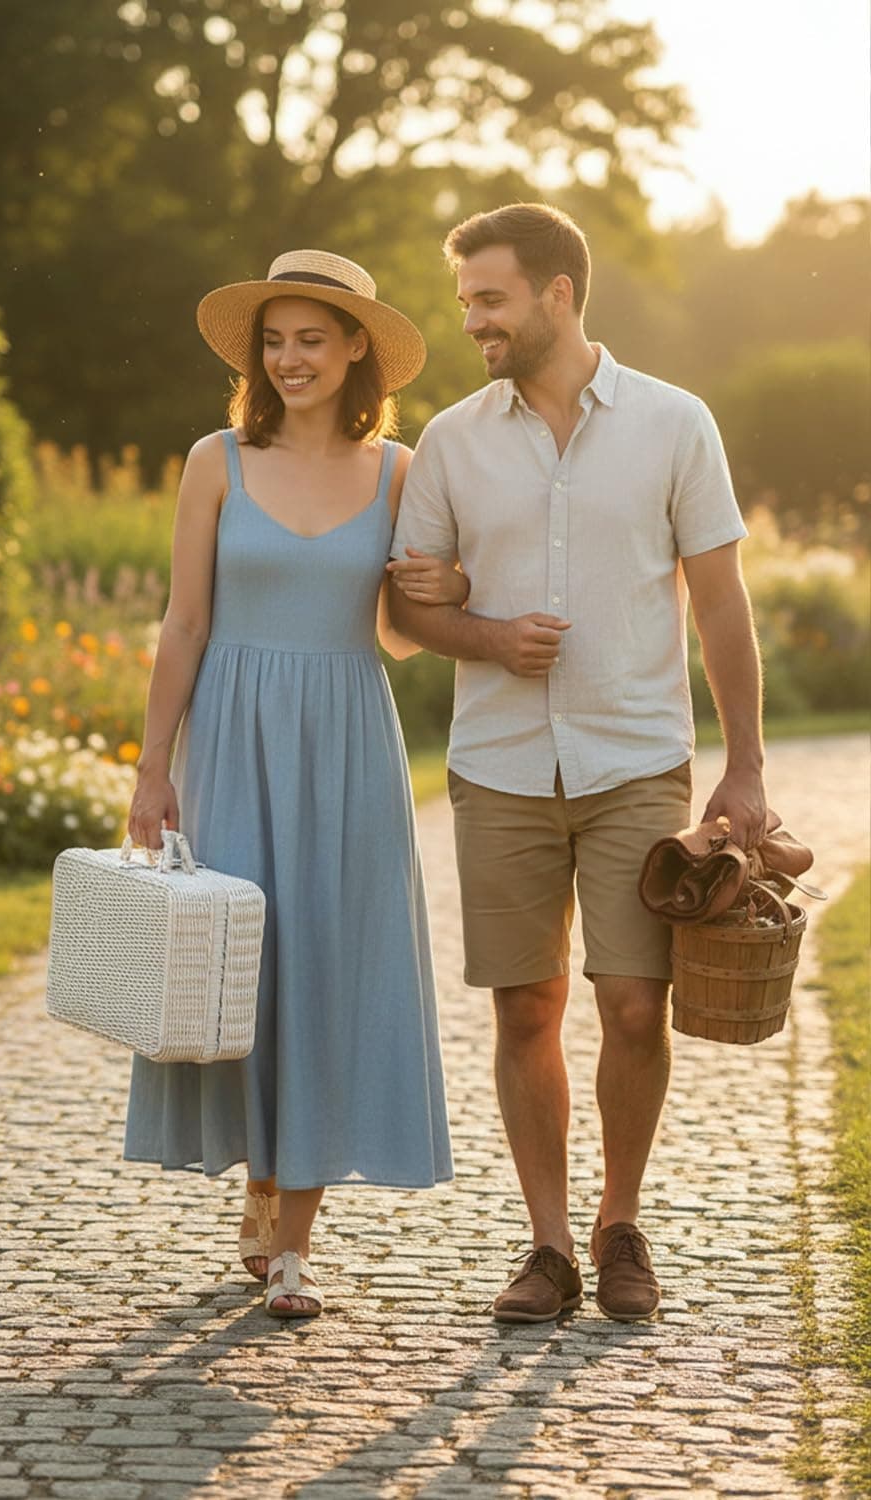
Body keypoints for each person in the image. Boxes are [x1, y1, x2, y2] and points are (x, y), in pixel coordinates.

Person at [387, 204, 766, 1324]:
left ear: (559, 293)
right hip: (500, 765)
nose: (473, 321)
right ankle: (549, 1247)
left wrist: (745, 769)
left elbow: (721, 603)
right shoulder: (451, 440)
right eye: (466, 302)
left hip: (634, 761)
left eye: (491, 299)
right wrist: (490, 637)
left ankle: (620, 1225)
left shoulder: (674, 423)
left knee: (635, 1006)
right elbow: (406, 613)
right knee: (525, 1010)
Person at [124, 250, 459, 1318]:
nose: (290, 359)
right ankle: (262, 1193)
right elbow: (185, 622)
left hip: (349, 742)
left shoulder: (400, 472)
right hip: (232, 735)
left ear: (357, 346)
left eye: (311, 339)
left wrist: (449, 585)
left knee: (324, 966)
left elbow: (407, 630)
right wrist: (152, 768)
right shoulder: (215, 460)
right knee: (246, 969)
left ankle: (292, 1249)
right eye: (274, 342)